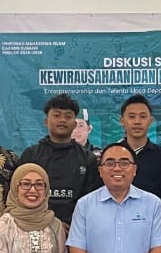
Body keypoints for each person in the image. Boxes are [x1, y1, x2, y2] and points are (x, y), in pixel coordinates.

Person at [18, 93, 101, 226]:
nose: (62, 120)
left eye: (68, 116)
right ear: (46, 121)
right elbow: (20, 195)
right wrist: (47, 224)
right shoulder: (31, 155)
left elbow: (92, 200)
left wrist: (73, 226)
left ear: (74, 124)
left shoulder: (88, 158)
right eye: (56, 115)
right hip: (36, 226)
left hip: (77, 229)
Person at [118, 94, 161, 208]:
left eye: (143, 116)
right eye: (131, 116)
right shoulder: (112, 156)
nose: (137, 121)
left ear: (151, 121)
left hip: (153, 217)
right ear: (122, 121)